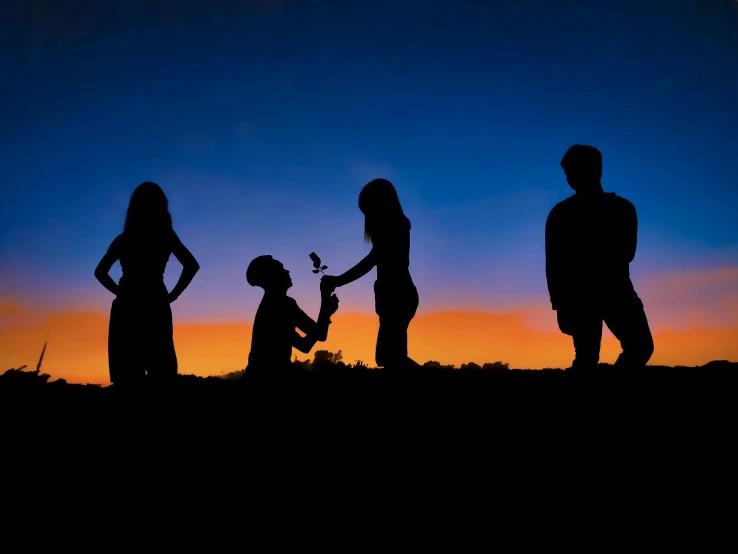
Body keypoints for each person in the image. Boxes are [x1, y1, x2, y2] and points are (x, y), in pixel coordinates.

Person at [545, 145, 654, 370]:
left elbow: (627, 253)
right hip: (581, 297)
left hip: (616, 292)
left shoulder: (622, 208)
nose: (570, 177)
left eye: (574, 170)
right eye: (567, 173)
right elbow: (554, 263)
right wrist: (559, 304)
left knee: (640, 347)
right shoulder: (560, 213)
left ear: (597, 170)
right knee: (587, 358)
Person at [94, 182, 200, 385]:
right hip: (156, 301)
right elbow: (192, 266)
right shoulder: (166, 236)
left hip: (127, 305)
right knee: (161, 370)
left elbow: (100, 272)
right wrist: (173, 295)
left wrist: (120, 291)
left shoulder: (123, 239)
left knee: (127, 373)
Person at [321, 178, 420, 371]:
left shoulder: (394, 227)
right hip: (395, 295)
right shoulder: (396, 226)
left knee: (389, 357)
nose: (368, 217)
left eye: (368, 211)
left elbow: (371, 260)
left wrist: (339, 280)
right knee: (390, 357)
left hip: (397, 295)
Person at [246, 255, 339, 375]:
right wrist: (325, 297)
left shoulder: (271, 304)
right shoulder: (282, 304)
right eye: (281, 268)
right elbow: (319, 335)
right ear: (272, 276)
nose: (287, 271)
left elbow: (305, 345)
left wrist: (326, 311)